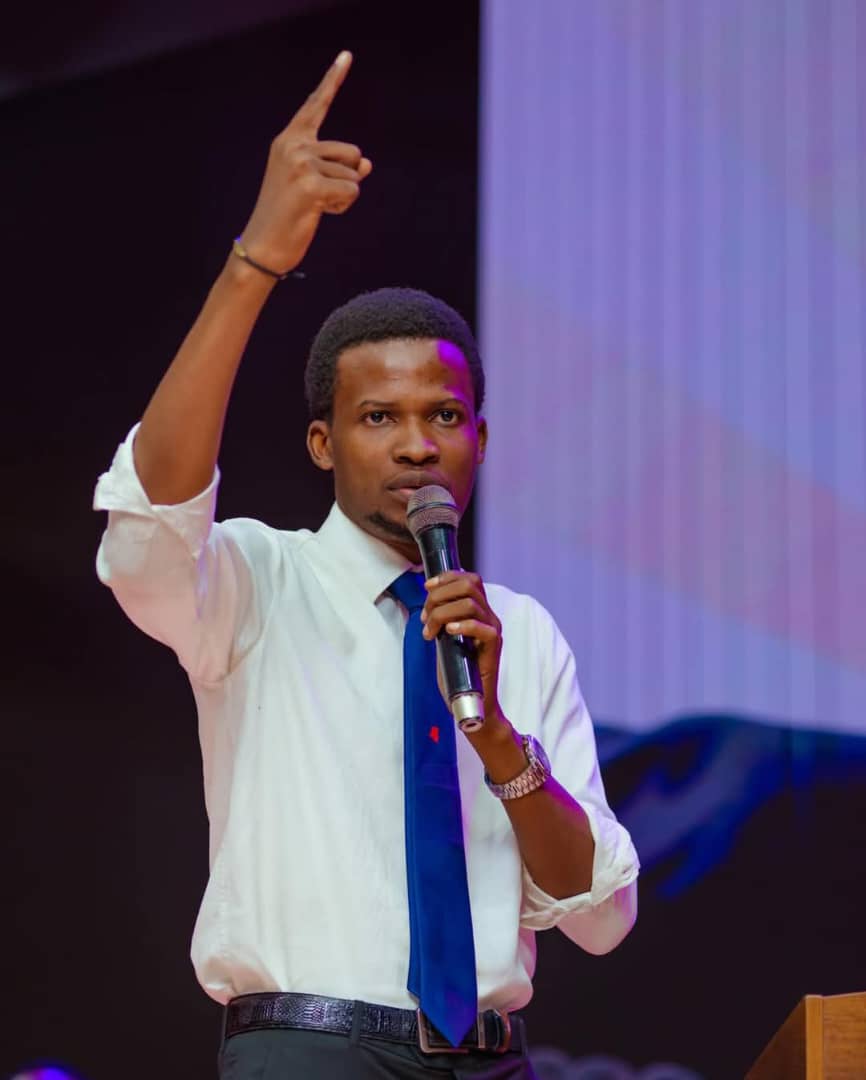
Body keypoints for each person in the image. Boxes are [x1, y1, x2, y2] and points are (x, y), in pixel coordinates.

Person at [93, 51, 639, 1080]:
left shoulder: (519, 632)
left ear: (481, 439)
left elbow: (600, 916)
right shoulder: (256, 582)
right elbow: (149, 524)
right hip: (310, 1049)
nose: (417, 445)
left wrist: (494, 735)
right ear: (322, 443)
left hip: (490, 1059)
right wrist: (255, 262)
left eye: (444, 417)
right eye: (379, 418)